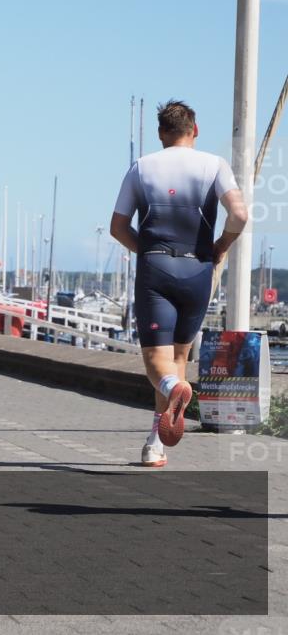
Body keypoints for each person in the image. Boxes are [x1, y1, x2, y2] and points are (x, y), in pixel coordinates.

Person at [110, 100, 247, 468]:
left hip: (156, 268)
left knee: (158, 362)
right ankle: (156, 443)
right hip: (198, 269)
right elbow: (239, 214)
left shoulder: (142, 168)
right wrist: (220, 247)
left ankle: (172, 395)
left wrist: (149, 253)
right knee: (179, 357)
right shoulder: (214, 165)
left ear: (161, 134)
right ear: (195, 130)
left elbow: (118, 227)